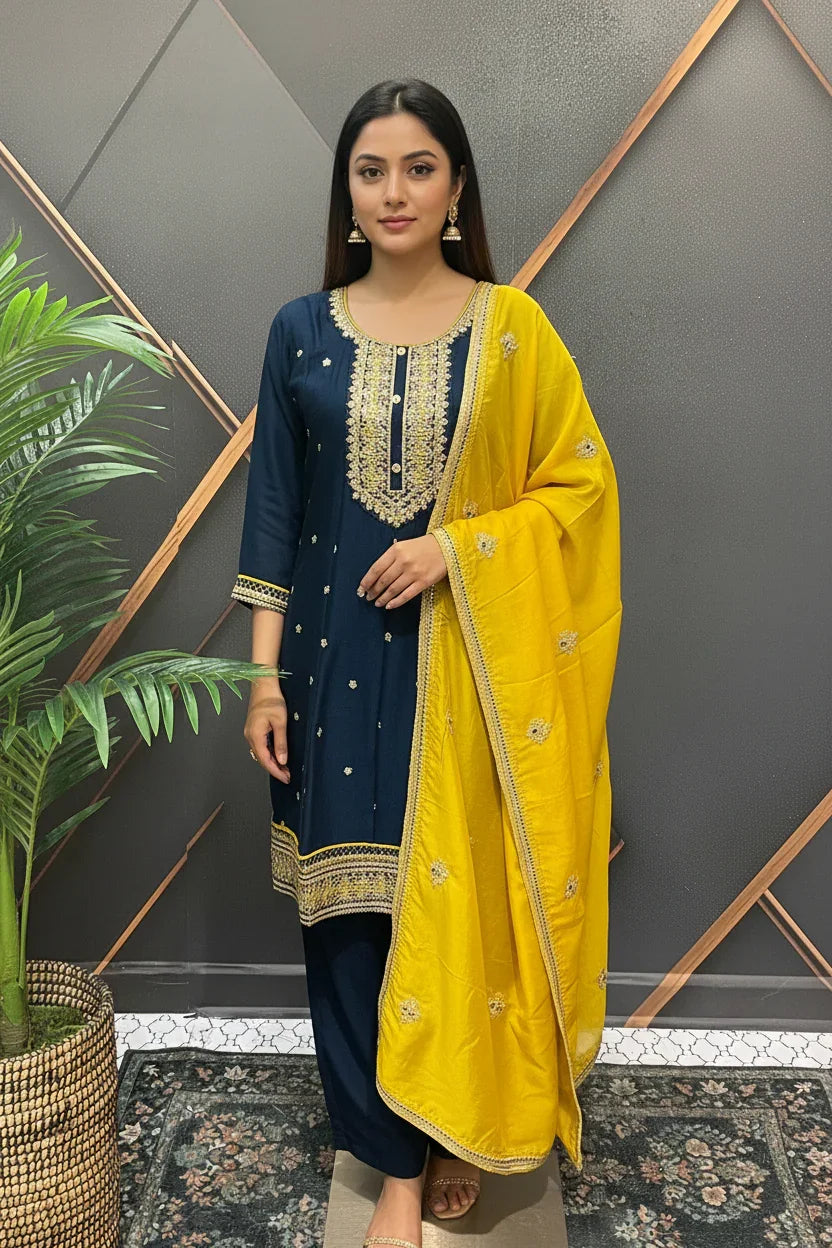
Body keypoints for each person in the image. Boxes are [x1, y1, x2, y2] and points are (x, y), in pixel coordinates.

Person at [233, 79, 622, 1248]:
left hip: (470, 678)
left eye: (417, 168)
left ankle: (456, 1124)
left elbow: (578, 489)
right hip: (325, 667)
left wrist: (459, 548)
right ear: (346, 192)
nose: (392, 191)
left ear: (456, 189)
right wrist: (261, 680)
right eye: (370, 170)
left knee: (459, 915)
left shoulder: (513, 331)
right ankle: (395, 1169)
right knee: (349, 922)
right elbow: (272, 516)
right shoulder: (300, 330)